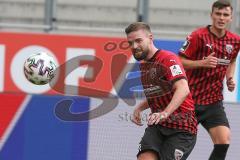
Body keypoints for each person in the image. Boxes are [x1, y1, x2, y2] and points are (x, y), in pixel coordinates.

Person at [125, 22, 197, 160]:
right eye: (130, 43)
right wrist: (139, 108)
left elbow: (183, 88)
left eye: (138, 40)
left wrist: (165, 113)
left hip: (182, 128)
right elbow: (157, 93)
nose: (134, 46)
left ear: (150, 38)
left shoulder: (168, 59)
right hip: (158, 126)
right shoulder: (144, 66)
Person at [178, 0, 240, 159]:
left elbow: (231, 61)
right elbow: (179, 61)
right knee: (180, 149)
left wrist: (230, 78)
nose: (221, 18)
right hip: (189, 100)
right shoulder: (198, 36)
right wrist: (202, 63)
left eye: (225, 15)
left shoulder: (235, 41)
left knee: (223, 140)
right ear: (211, 15)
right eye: (218, 14)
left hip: (213, 102)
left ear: (231, 18)